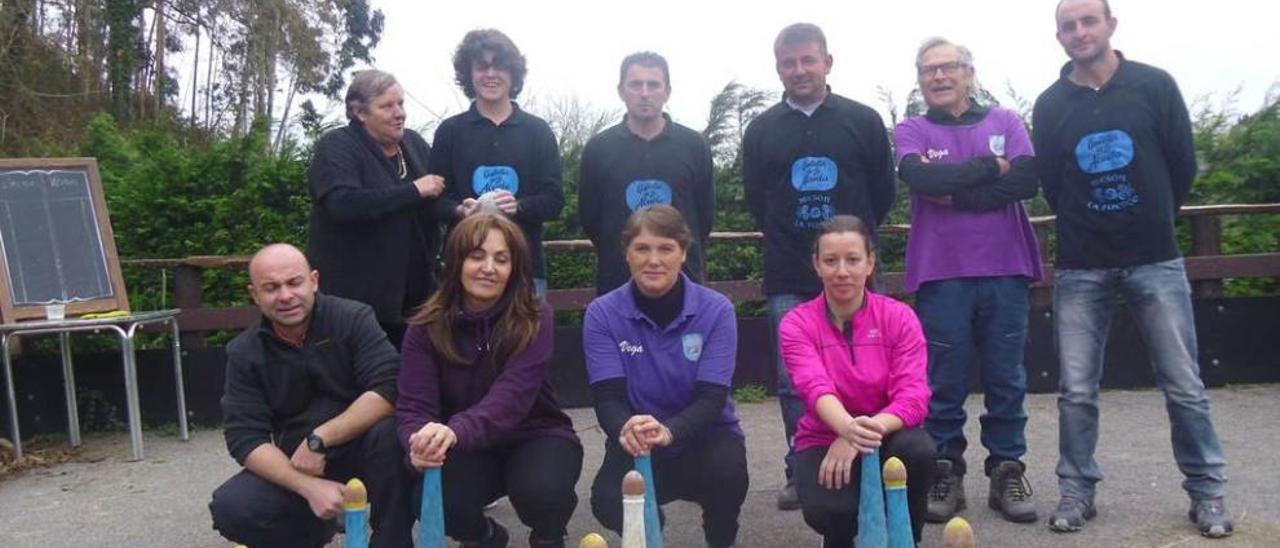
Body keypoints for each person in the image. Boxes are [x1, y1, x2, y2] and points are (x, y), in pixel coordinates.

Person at [1033, 0, 1234, 537]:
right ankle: (1076, 490)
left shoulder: (1155, 85)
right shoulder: (1050, 105)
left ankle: (1207, 492)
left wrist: (1150, 218)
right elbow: (1053, 182)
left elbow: (1181, 164)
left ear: (1110, 25)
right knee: (1076, 390)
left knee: (1184, 383)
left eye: (1088, 21)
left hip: (1154, 256)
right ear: (1059, 36)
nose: (1079, 32)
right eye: (1068, 26)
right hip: (1081, 263)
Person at [742, 22, 896, 510]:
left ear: (828, 62)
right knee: (795, 380)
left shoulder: (864, 120)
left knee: (870, 368)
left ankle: (867, 452)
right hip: (789, 271)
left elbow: (883, 194)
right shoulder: (762, 129)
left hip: (854, 272)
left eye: (808, 60)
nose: (799, 70)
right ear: (778, 68)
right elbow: (754, 200)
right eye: (789, 62)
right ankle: (801, 465)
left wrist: (847, 254)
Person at [893, 37, 1043, 524]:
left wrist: (958, 195)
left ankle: (1006, 468)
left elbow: (1025, 181)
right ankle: (945, 468)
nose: (939, 77)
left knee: (1006, 377)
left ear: (969, 72)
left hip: (1006, 268)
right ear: (920, 80)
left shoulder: (1005, 121)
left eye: (948, 68)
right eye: (928, 70)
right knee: (942, 380)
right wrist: (988, 170)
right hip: (941, 272)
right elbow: (923, 181)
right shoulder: (910, 129)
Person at [396, 213, 582, 547]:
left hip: (535, 434)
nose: (489, 268)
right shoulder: (424, 327)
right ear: (456, 262)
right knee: (436, 501)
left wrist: (454, 431)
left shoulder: (535, 317)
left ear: (515, 268)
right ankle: (486, 537)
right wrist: (418, 442)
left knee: (545, 491)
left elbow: (512, 397)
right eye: (476, 256)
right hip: (465, 445)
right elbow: (414, 405)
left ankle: (548, 536)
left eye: (501, 259)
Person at [209, 243, 413, 548]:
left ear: (314, 280)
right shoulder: (244, 352)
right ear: (255, 295)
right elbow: (245, 437)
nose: (285, 296)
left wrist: (320, 438)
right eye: (271, 288)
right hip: (298, 465)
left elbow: (387, 390)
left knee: (394, 437)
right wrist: (307, 487)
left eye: (294, 282)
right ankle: (311, 532)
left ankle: (391, 542)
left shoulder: (354, 318)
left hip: (365, 448)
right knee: (232, 507)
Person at [583, 205, 747, 548]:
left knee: (728, 475)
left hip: (704, 437)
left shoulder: (717, 310)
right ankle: (649, 532)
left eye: (666, 248)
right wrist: (626, 428)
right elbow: (608, 397)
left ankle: (720, 540)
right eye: (642, 248)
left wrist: (671, 431)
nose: (653, 260)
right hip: (637, 439)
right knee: (607, 500)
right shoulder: (602, 313)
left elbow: (712, 397)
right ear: (626, 253)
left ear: (683, 253)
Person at [779, 215, 933, 547]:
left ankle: (906, 538)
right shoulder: (796, 323)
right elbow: (814, 386)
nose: (842, 271)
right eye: (831, 261)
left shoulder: (899, 317)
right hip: (823, 438)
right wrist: (845, 429)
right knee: (828, 510)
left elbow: (914, 397)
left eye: (853, 259)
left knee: (918, 450)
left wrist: (857, 435)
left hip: (888, 433)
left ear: (870, 263)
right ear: (816, 265)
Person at [307, 69, 443, 348]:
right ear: (359, 112)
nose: (399, 113)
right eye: (387, 106)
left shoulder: (414, 144)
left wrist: (458, 210)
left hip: (416, 301)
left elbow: (435, 199)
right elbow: (343, 205)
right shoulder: (337, 146)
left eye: (401, 104)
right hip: (356, 306)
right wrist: (414, 190)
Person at [429, 29, 564, 298]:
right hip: (463, 267)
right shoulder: (450, 131)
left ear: (513, 74)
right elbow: (433, 201)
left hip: (525, 268)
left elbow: (554, 200)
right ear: (469, 74)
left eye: (500, 66)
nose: (491, 74)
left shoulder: (537, 131)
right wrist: (459, 210)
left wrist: (519, 206)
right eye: (482, 66)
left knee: (527, 340)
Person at [579, 51, 715, 295]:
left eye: (653, 85)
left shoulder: (694, 145)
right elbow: (590, 218)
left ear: (667, 91)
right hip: (617, 283)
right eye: (635, 84)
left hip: (684, 282)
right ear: (621, 90)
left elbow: (704, 217)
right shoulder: (599, 148)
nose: (644, 93)